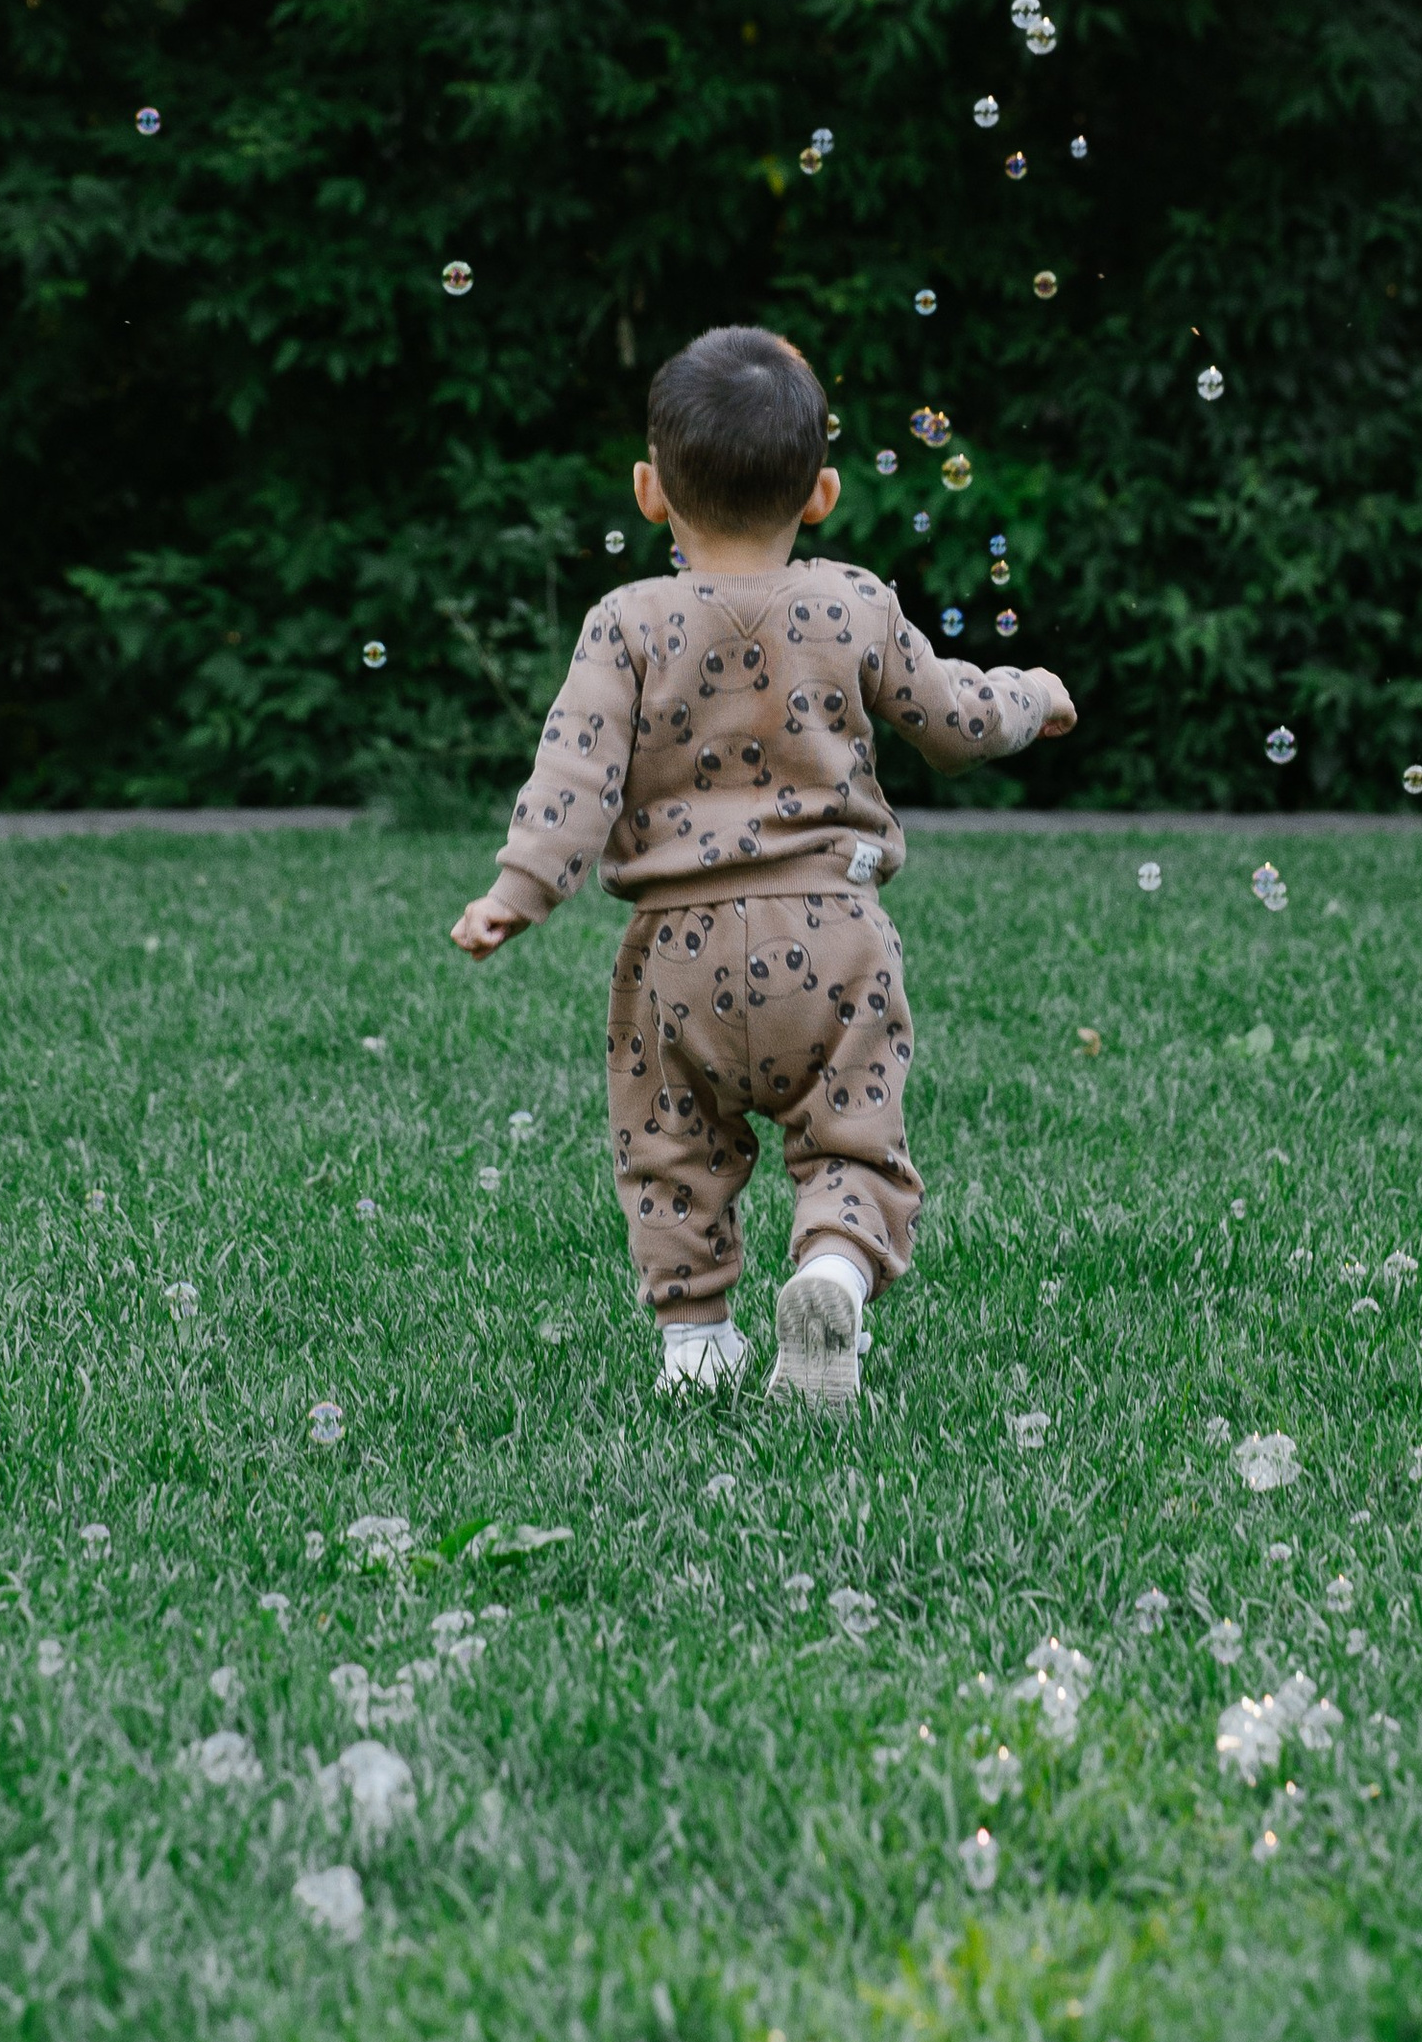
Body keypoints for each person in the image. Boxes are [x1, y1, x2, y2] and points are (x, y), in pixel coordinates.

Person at [450, 324, 1075, 1408]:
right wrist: (1032, 694)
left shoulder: (625, 623)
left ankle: (696, 1348)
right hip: (832, 943)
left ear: (650, 491)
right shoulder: (854, 603)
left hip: (675, 958)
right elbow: (955, 718)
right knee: (850, 1138)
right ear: (821, 495)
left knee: (670, 1151)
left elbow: (573, 775)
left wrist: (519, 889)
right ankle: (832, 1271)